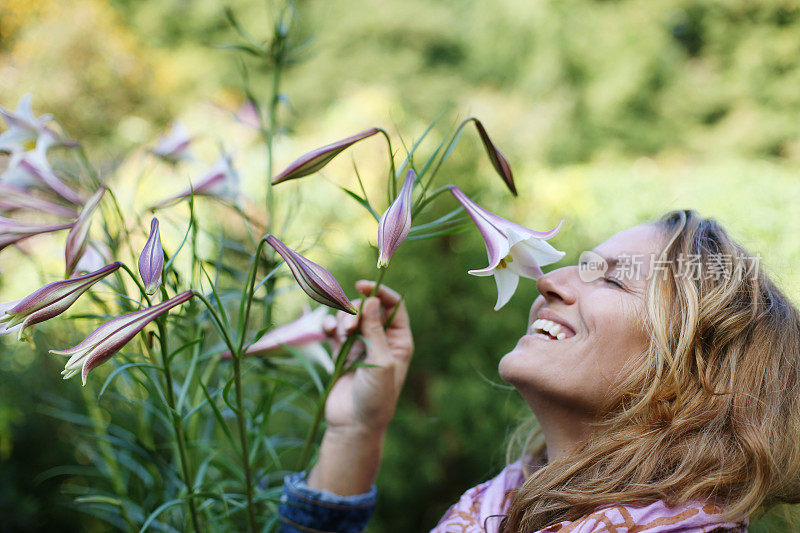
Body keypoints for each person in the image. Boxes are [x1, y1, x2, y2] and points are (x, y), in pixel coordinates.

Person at [277, 210, 800, 532]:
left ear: (700, 374)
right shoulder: (498, 510)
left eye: (612, 281)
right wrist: (356, 430)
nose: (547, 279)